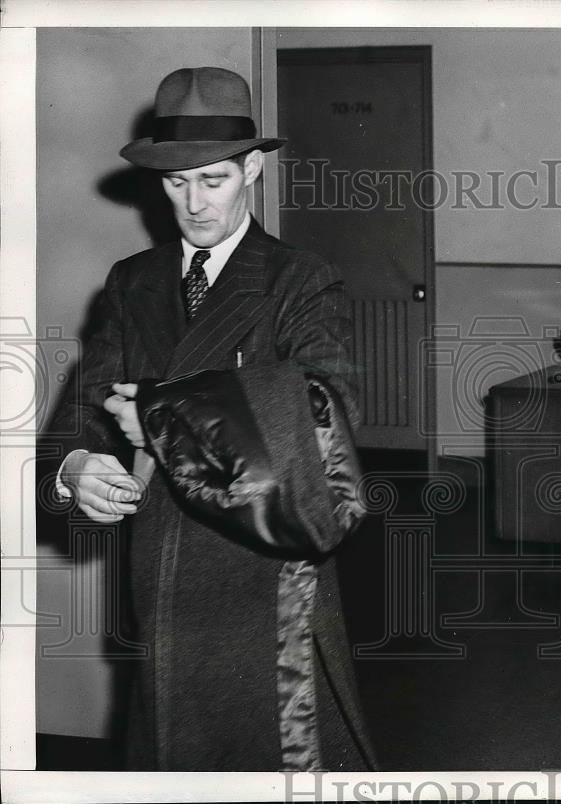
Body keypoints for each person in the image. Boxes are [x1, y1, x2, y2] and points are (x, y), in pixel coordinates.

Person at [49, 67, 375, 771]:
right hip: (156, 582)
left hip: (263, 585)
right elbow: (85, 405)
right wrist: (76, 466)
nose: (194, 203)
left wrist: (166, 417)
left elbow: (328, 414)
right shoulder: (133, 280)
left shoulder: (300, 279)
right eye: (176, 183)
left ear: (252, 170)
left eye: (213, 179)